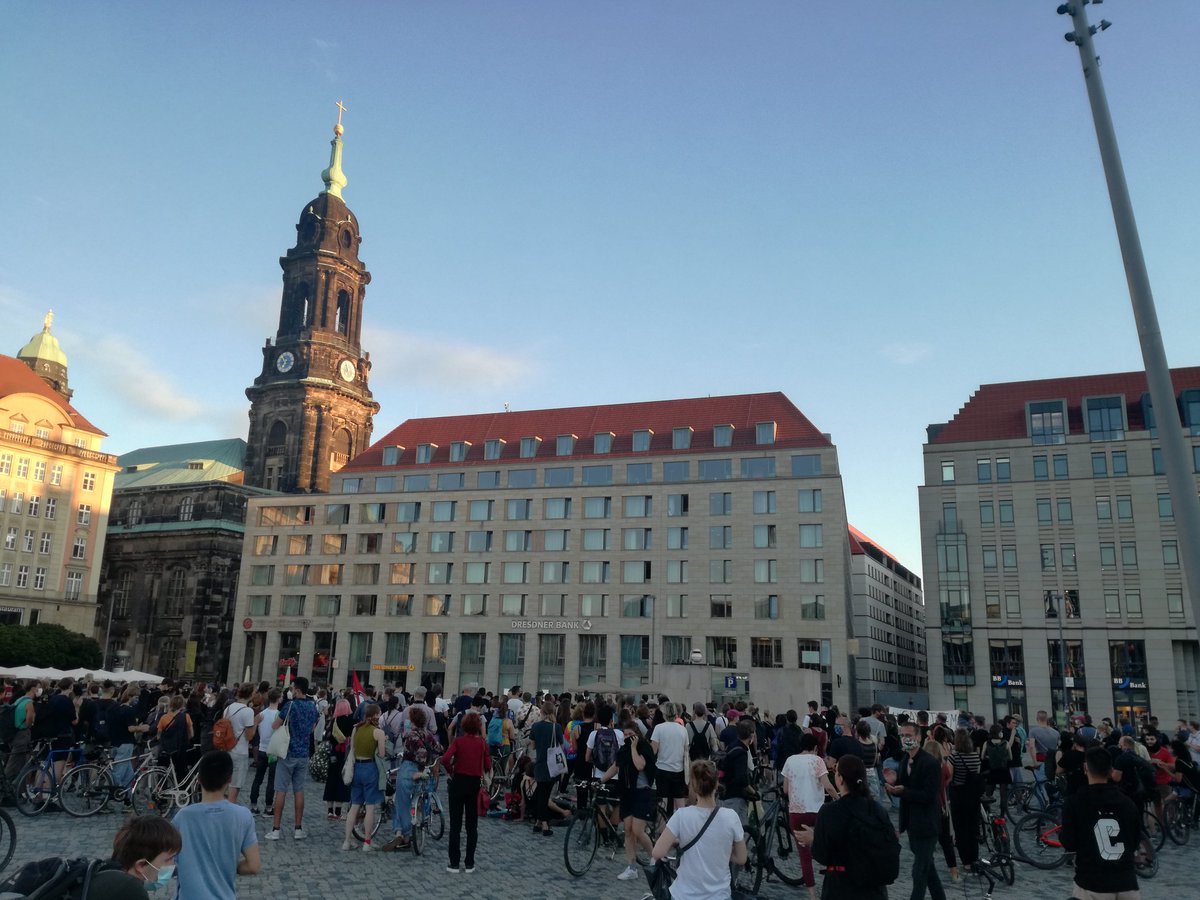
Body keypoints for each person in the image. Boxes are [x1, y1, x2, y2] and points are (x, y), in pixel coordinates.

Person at [794, 754, 897, 900]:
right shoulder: (878, 810)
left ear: (840, 779)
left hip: (843, 886)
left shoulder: (830, 811)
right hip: (875, 889)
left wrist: (814, 839)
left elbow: (822, 855)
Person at [650, 759, 747, 899]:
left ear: (693, 786)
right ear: (716, 784)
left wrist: (675, 842)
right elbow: (741, 858)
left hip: (684, 895)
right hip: (719, 895)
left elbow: (657, 853)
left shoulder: (681, 816)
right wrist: (718, 847)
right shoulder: (731, 817)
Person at [172, 751, 260, 900]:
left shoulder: (183, 817)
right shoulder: (243, 816)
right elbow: (253, 866)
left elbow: (167, 864)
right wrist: (230, 865)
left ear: (198, 779)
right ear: (230, 779)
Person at [1060, 746, 1142, 900]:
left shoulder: (1075, 802)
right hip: (1126, 881)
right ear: (1111, 770)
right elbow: (1135, 840)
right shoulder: (1127, 803)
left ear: (1086, 768)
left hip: (1092, 881)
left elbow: (1069, 843)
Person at [885, 720, 946, 900]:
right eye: (902, 736)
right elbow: (905, 787)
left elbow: (928, 795)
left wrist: (904, 791)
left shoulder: (930, 763)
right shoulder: (905, 759)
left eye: (908, 735)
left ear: (918, 737)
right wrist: (894, 784)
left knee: (919, 871)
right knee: (928, 869)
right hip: (911, 823)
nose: (905, 739)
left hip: (927, 824)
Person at [782, 733, 839, 899]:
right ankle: (833, 883)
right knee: (830, 848)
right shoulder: (818, 761)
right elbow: (828, 786)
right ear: (815, 748)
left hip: (797, 812)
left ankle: (812, 894)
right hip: (818, 812)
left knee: (804, 855)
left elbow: (785, 789)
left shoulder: (790, 760)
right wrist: (838, 798)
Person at [600, 712, 656, 882]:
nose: (627, 738)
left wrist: (633, 747)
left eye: (630, 735)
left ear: (637, 734)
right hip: (627, 792)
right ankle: (632, 867)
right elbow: (615, 767)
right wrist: (600, 780)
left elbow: (640, 765)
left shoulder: (644, 747)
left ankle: (655, 856)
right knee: (628, 832)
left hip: (642, 791)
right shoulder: (623, 750)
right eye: (625, 735)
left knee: (638, 830)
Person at [381, 704, 443, 851]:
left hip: (409, 769)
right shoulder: (427, 733)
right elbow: (439, 749)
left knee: (401, 802)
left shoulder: (412, 735)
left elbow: (420, 753)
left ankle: (401, 832)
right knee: (416, 798)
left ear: (413, 721)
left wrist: (419, 769)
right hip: (425, 772)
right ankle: (405, 834)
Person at [267, 675, 320, 841]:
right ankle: (298, 828)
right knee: (299, 790)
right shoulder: (313, 707)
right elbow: (312, 729)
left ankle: (276, 829)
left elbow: (275, 725)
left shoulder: (290, 706)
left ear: (297, 690)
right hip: (303, 753)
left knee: (281, 790)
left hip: (287, 752)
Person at [438, 710, 491, 873]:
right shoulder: (482, 743)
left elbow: (445, 759)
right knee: (471, 826)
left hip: (458, 782)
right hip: (474, 785)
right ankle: (469, 863)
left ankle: (454, 863)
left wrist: (451, 771)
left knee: (455, 825)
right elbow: (488, 766)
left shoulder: (458, 741)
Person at [88, 815, 183, 900]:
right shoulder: (130, 890)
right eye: (168, 859)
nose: (173, 865)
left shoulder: (107, 870)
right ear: (140, 865)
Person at [342, 702, 386, 850]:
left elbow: (352, 748)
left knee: (354, 806)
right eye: (379, 714)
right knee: (370, 807)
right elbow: (381, 754)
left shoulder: (356, 729)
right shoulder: (378, 732)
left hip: (357, 768)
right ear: (374, 715)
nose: (380, 717)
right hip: (370, 768)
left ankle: (347, 841)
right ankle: (367, 842)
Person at [946, 728, 982, 870]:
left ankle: (966, 860)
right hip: (973, 795)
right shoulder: (975, 756)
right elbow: (977, 774)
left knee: (960, 828)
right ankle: (974, 857)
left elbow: (949, 777)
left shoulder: (954, 757)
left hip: (958, 794)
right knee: (973, 827)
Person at [923, 738, 958, 882]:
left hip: (929, 808)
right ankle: (954, 872)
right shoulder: (943, 766)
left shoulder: (923, 767)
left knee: (928, 842)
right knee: (946, 843)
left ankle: (927, 871)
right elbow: (948, 780)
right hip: (942, 806)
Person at [109, 686, 151, 794]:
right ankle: (113, 793)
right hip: (126, 743)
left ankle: (127, 797)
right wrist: (142, 728)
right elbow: (131, 728)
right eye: (136, 697)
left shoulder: (116, 708)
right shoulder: (130, 710)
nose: (137, 700)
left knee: (129, 775)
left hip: (116, 742)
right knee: (119, 772)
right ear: (130, 696)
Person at [222, 684, 256, 806]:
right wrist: (256, 722)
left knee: (225, 783)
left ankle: (222, 808)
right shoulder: (248, 711)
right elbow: (250, 736)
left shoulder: (229, 708)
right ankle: (230, 812)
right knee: (235, 786)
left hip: (227, 750)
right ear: (251, 694)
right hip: (240, 751)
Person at [651, 701, 688, 812]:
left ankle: (662, 828)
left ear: (664, 714)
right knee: (679, 802)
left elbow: (653, 750)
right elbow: (686, 751)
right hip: (679, 770)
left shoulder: (659, 728)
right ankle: (681, 827)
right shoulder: (683, 730)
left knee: (663, 802)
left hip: (662, 769)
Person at [249, 688, 280, 816]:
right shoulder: (279, 715)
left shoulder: (261, 714)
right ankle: (268, 807)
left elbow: (253, 731)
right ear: (279, 699)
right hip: (273, 751)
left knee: (258, 778)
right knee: (271, 780)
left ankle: (253, 805)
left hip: (262, 749)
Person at [323, 697, 354, 820]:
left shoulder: (333, 721)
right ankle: (338, 811)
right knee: (343, 780)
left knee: (331, 779)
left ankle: (330, 811)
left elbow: (328, 737)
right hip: (344, 753)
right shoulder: (350, 720)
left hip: (333, 753)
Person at [4, 681, 38, 781]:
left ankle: (17, 791)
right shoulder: (29, 703)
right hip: (22, 735)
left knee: (18, 764)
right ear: (33, 688)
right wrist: (31, 724)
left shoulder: (19, 699)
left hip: (14, 733)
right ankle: (4, 788)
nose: (40, 690)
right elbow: (29, 721)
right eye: (38, 687)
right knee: (14, 765)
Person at [157, 695, 194, 782]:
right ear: (182, 706)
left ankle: (164, 788)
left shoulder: (164, 717)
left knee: (164, 770)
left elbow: (159, 735)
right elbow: (191, 734)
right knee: (181, 771)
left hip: (166, 749)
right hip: (180, 749)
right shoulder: (186, 717)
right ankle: (180, 790)